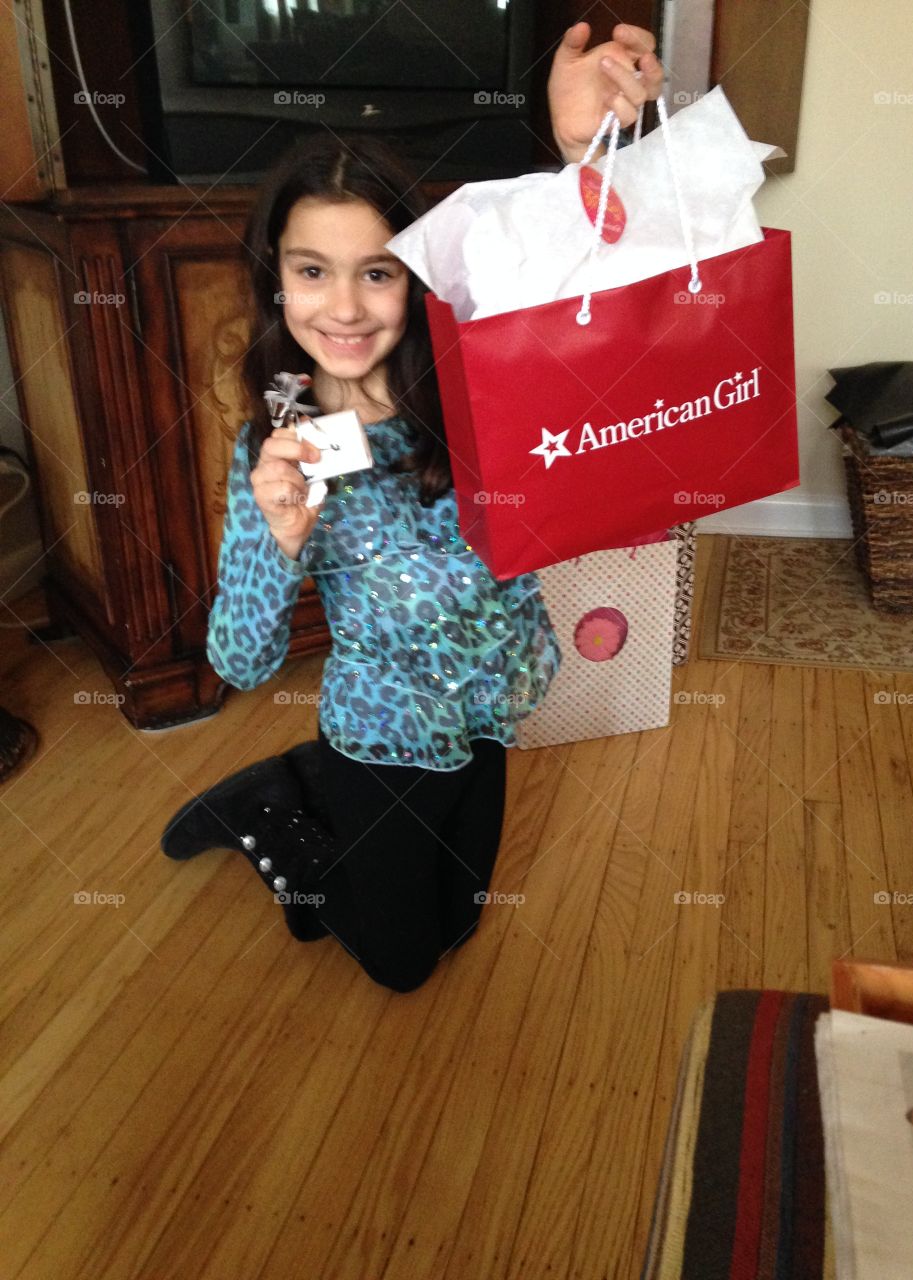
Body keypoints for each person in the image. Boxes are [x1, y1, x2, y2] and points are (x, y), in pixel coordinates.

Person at [160, 23, 665, 993]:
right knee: (400, 963)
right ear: (277, 279)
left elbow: (586, 291)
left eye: (377, 270)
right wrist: (278, 537)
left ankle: (303, 786)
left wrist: (579, 156)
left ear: (415, 277)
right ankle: (276, 806)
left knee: (461, 924)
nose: (344, 306)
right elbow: (241, 660)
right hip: (383, 733)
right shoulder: (283, 448)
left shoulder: (480, 383)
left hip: (492, 706)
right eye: (313, 269)